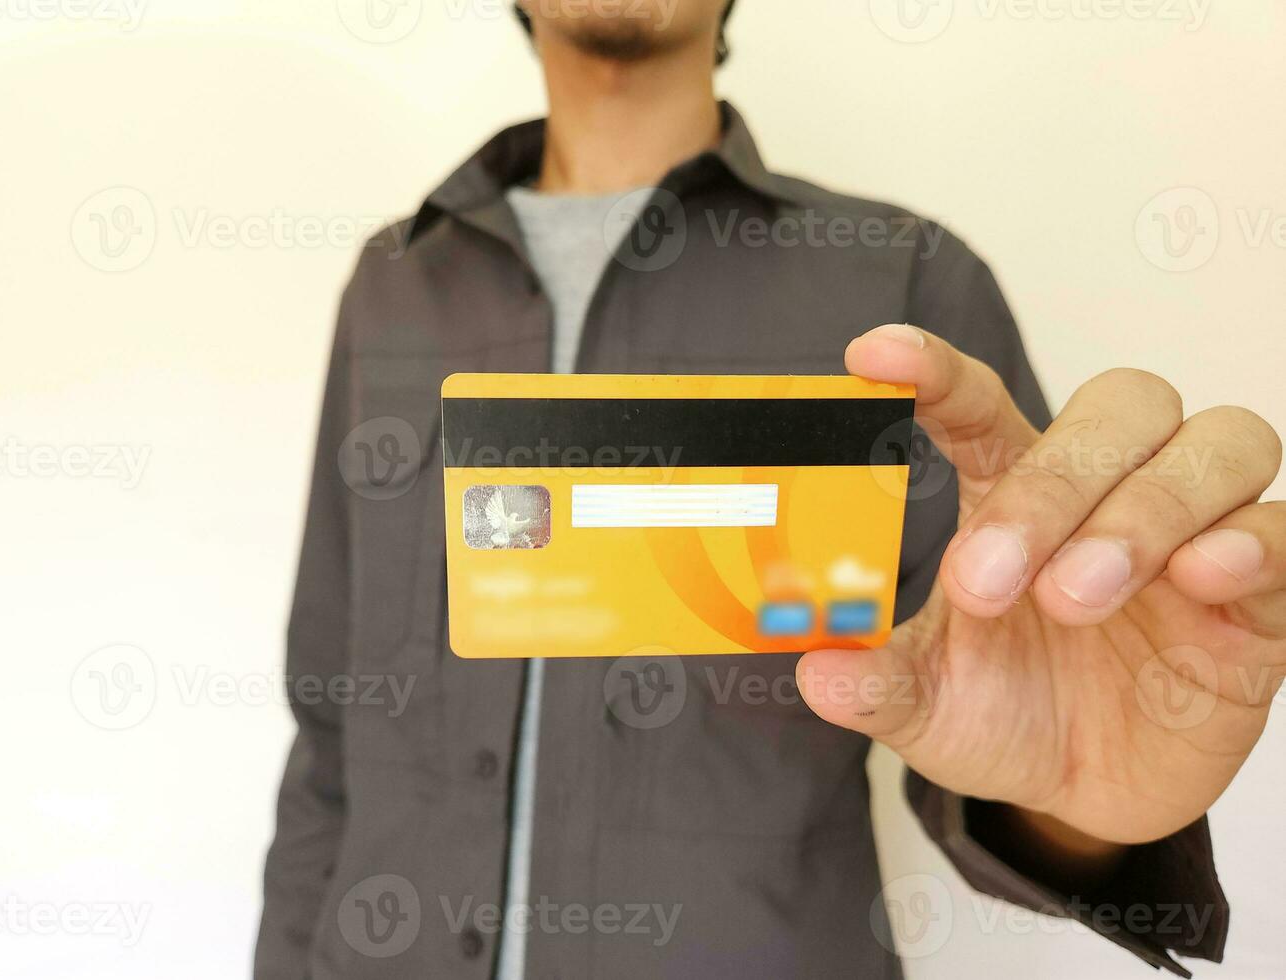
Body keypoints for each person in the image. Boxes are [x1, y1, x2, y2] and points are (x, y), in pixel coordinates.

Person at [255, 2, 1286, 977]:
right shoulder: (391, 284)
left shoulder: (905, 286)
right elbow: (330, 724)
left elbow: (1006, 705)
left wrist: (1086, 797)